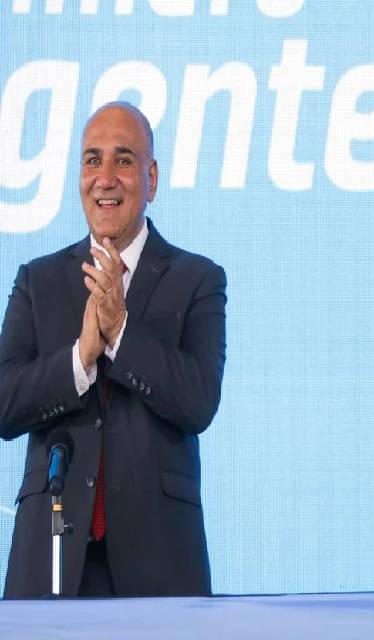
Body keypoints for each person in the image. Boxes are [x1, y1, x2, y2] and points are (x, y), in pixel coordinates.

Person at [0, 102, 227, 598]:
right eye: (91, 160)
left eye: (123, 160)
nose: (105, 178)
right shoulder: (38, 280)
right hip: (51, 559)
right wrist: (80, 357)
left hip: (160, 561)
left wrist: (121, 332)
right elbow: (4, 404)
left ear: (151, 179)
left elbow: (198, 400)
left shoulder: (198, 279)